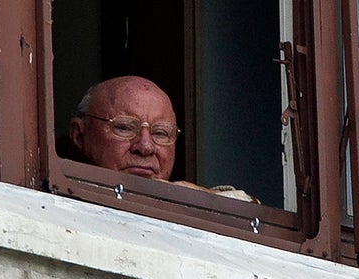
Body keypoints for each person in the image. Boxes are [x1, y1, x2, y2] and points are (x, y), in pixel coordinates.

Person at [63, 75, 259, 203]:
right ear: (79, 135)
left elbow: (248, 206)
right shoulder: (57, 190)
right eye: (124, 128)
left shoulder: (181, 206)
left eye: (160, 133)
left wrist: (196, 198)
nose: (145, 146)